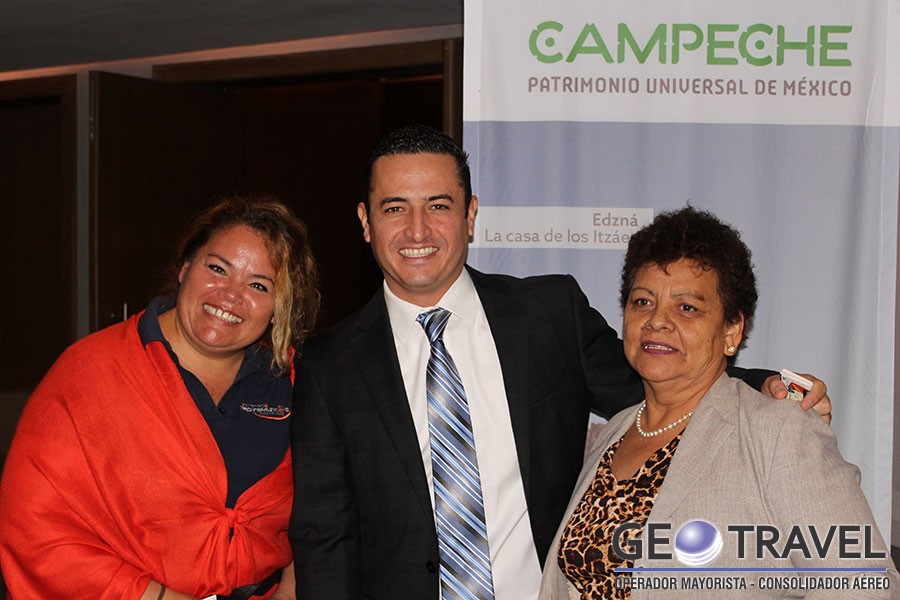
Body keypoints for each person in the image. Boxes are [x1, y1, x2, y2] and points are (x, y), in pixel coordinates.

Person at [289, 125, 831, 600]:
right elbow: (325, 536)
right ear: (365, 221)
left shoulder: (548, 312)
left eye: (438, 205)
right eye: (394, 208)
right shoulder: (329, 364)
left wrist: (764, 385)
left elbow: (654, 384)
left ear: (470, 214)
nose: (417, 230)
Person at [539, 207, 897, 599]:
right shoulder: (613, 433)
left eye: (686, 307)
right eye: (642, 302)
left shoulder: (776, 432)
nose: (657, 320)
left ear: (731, 331)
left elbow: (866, 583)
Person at [0, 195, 320, 599]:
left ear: (279, 307)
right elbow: (35, 526)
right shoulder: (90, 373)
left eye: (259, 285)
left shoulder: (296, 380)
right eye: (217, 268)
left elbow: (323, 505)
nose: (230, 294)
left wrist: (291, 587)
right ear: (185, 267)